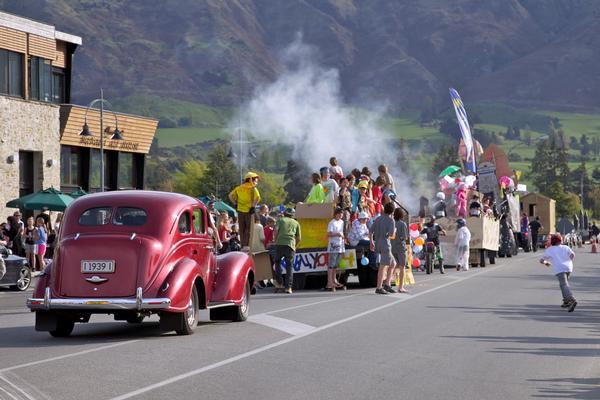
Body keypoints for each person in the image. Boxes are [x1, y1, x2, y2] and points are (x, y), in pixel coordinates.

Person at [539, 234, 577, 312]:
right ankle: (566, 301)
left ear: (552, 241)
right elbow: (572, 255)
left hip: (560, 269)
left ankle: (571, 299)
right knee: (563, 284)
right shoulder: (565, 247)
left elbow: (541, 260)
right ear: (560, 241)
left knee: (564, 284)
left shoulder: (550, 249)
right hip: (568, 268)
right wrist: (569, 259)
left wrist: (546, 263)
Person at [229, 171, 261, 249]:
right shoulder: (253, 188)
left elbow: (230, 196)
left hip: (240, 210)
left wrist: (235, 204)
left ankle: (243, 245)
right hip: (249, 211)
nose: (256, 182)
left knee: (242, 228)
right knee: (248, 229)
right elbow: (258, 198)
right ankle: (246, 245)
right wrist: (253, 206)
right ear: (251, 180)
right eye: (255, 180)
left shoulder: (239, 188)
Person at [369, 202, 396, 294]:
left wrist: (371, 242)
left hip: (378, 243)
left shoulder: (378, 218)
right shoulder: (391, 220)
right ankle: (379, 287)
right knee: (382, 266)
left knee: (393, 263)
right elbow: (392, 234)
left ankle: (387, 284)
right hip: (385, 244)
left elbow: (371, 230)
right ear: (392, 211)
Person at [274, 208, 301, 294]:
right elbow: (299, 238)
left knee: (277, 262)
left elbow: (276, 231)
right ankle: (288, 288)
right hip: (290, 245)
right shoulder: (296, 223)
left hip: (280, 244)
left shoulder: (280, 220)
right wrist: (294, 246)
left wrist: (275, 240)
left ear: (285, 213)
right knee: (289, 266)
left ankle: (279, 283)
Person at [325, 208, 346, 291]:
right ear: (336, 214)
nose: (341, 215)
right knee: (331, 264)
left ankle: (334, 280)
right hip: (333, 245)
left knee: (336, 264)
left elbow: (342, 232)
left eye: (342, 214)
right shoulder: (332, 223)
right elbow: (329, 234)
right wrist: (337, 234)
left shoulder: (342, 222)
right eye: (339, 213)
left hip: (340, 245)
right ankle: (329, 282)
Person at [390, 207, 409, 293]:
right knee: (402, 267)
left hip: (392, 246)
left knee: (393, 265)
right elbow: (404, 237)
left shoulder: (391, 223)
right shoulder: (402, 224)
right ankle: (400, 287)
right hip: (400, 247)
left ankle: (388, 282)